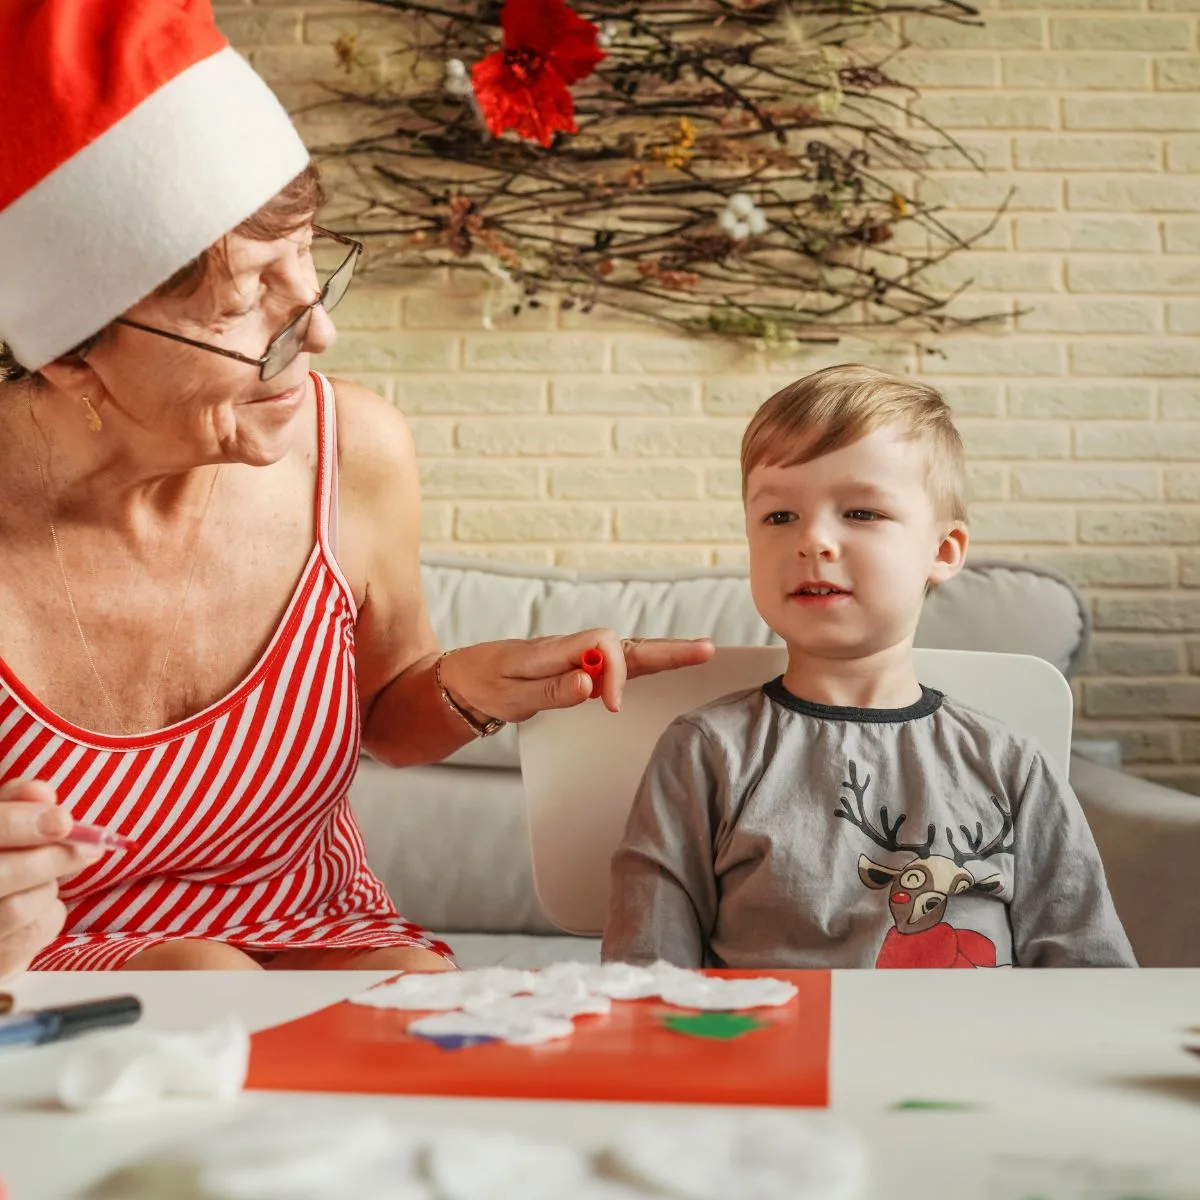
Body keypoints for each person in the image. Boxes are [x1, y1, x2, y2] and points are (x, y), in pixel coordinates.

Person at [0, 0, 712, 979]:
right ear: (78, 358)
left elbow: (388, 714)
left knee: (419, 999)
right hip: (43, 956)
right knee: (201, 981)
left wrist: (480, 685)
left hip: (314, 919)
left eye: (310, 264)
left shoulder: (356, 450)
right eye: (251, 300)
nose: (319, 332)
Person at [603, 364, 1135, 969]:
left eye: (860, 513)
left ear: (941, 550)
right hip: (768, 1055)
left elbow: (1091, 974)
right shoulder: (705, 752)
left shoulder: (1011, 765)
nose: (814, 542)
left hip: (962, 1057)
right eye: (780, 517)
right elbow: (645, 977)